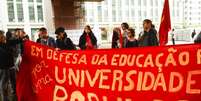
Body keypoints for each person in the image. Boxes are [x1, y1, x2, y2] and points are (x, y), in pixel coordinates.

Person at [0, 30, 14, 101]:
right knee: (3, 85)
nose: (4, 36)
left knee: (5, 85)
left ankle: (6, 98)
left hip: (6, 67)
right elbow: (6, 54)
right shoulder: (2, 46)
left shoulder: (4, 44)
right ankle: (5, 99)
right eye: (2, 35)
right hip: (3, 68)